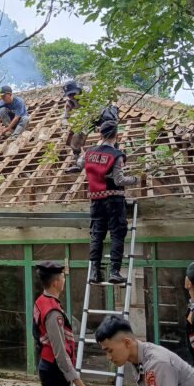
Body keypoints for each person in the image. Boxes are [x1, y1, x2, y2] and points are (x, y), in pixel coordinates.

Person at [84, 108, 139, 284]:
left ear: (100, 134)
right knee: (117, 233)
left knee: (97, 234)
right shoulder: (116, 155)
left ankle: (94, 273)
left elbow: (79, 163)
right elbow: (119, 179)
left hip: (96, 200)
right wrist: (136, 179)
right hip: (114, 200)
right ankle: (114, 272)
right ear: (116, 135)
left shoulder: (89, 152)